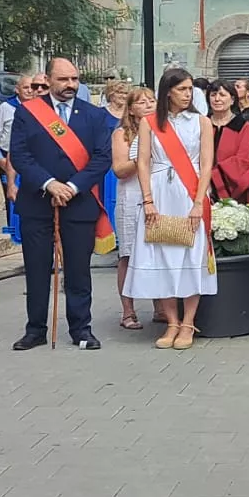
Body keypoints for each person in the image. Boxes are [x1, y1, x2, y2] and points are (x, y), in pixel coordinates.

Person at [9, 57, 113, 352]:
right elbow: (20, 155)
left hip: (78, 203)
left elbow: (102, 158)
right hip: (37, 202)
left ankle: (81, 329)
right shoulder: (29, 113)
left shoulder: (94, 115)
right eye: (64, 80)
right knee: (38, 268)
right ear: (49, 80)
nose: (70, 85)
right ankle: (35, 329)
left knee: (79, 270)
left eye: (74, 80)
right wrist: (49, 183)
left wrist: (71, 186)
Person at [126, 69, 217, 349]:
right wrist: (148, 200)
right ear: (168, 91)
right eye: (182, 89)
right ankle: (171, 322)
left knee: (190, 255)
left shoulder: (201, 122)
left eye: (190, 89)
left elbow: (205, 165)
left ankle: (188, 323)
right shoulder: (150, 123)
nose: (188, 94)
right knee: (162, 256)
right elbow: (142, 162)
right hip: (159, 193)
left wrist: (198, 202)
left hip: (189, 193)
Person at [108, 87, 154, 331]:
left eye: (152, 101)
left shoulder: (162, 130)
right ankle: (128, 310)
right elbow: (119, 169)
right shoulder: (122, 134)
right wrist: (143, 158)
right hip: (132, 194)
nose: (148, 105)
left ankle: (161, 306)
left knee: (159, 249)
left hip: (157, 194)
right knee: (128, 253)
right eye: (142, 102)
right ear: (132, 109)